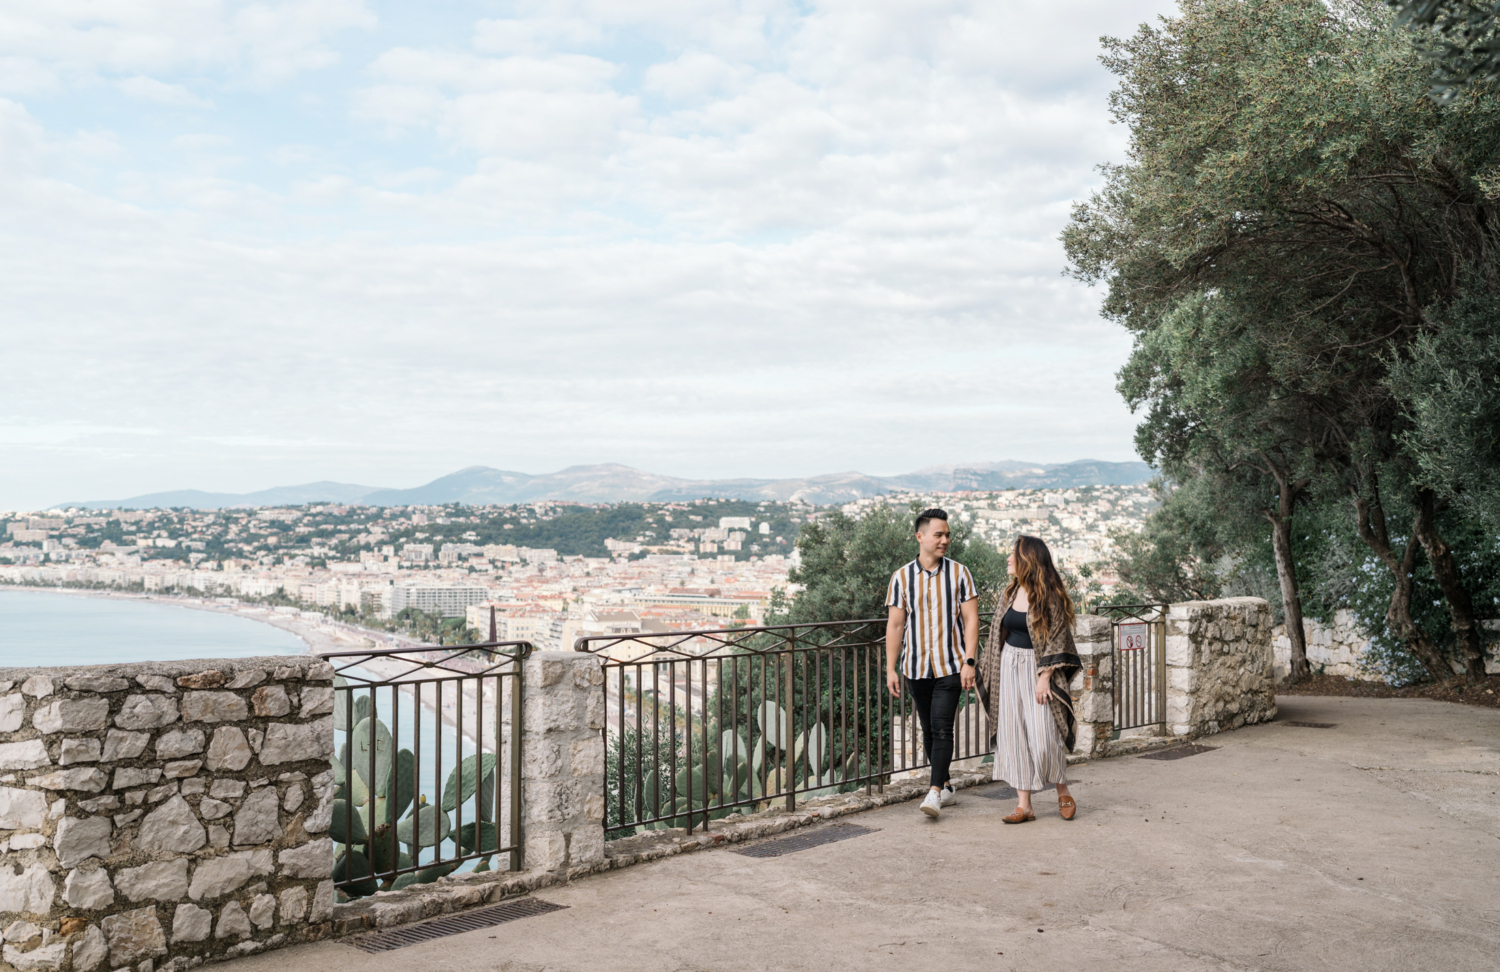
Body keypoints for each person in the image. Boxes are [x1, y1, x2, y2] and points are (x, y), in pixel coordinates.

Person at [977, 535, 1082, 822]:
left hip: (1037, 670)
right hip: (1009, 666)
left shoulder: (1048, 595)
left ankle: (1062, 789)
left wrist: (1045, 676)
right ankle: (1024, 805)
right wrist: (990, 668)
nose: (1008, 559)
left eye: (1013, 555)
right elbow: (1000, 633)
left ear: (1027, 561)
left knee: (1045, 735)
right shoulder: (1009, 593)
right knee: (1014, 734)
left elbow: (1058, 637)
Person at [885, 508, 980, 819]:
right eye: (938, 534)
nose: (945, 540)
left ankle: (935, 792)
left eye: (947, 535)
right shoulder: (901, 578)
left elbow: (970, 620)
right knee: (928, 730)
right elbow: (896, 626)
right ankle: (948, 786)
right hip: (915, 669)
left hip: (951, 666)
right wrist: (890, 668)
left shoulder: (960, 573)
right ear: (920, 536)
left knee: (942, 729)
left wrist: (969, 661)